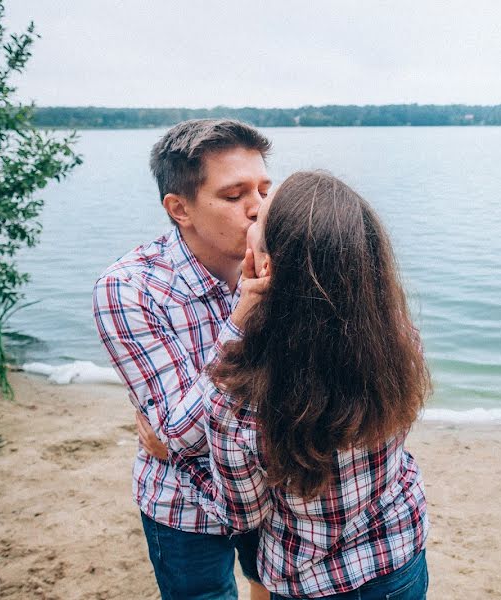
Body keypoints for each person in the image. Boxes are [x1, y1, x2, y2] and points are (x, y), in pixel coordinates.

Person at [163, 171, 431, 599]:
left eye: (260, 213)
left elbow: (242, 513)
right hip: (398, 554)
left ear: (265, 266)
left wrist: (238, 322)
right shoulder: (398, 340)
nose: (251, 211)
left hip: (311, 580)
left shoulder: (239, 401)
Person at [92, 119, 273, 600]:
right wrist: (246, 313)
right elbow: (180, 434)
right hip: (184, 504)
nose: (258, 209)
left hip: (268, 489)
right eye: (234, 196)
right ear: (179, 208)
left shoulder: (283, 261)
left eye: (263, 189)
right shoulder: (129, 288)